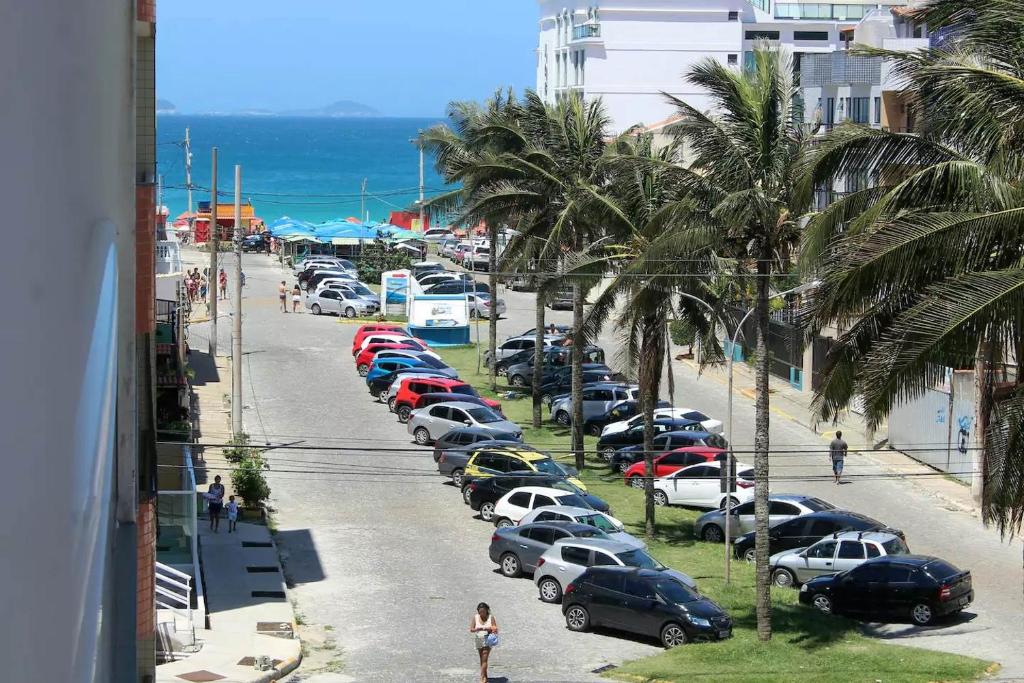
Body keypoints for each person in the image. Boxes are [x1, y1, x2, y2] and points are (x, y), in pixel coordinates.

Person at [469, 602, 498, 683]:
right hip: (478, 639)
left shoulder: (491, 617)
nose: (482, 613)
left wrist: (489, 629)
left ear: (487, 610)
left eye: (483, 611)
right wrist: (478, 629)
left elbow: (495, 628)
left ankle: (482, 678)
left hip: (487, 639)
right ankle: (485, 676)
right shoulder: (475, 617)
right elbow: (471, 629)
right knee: (482, 659)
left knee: (484, 658)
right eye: (480, 611)